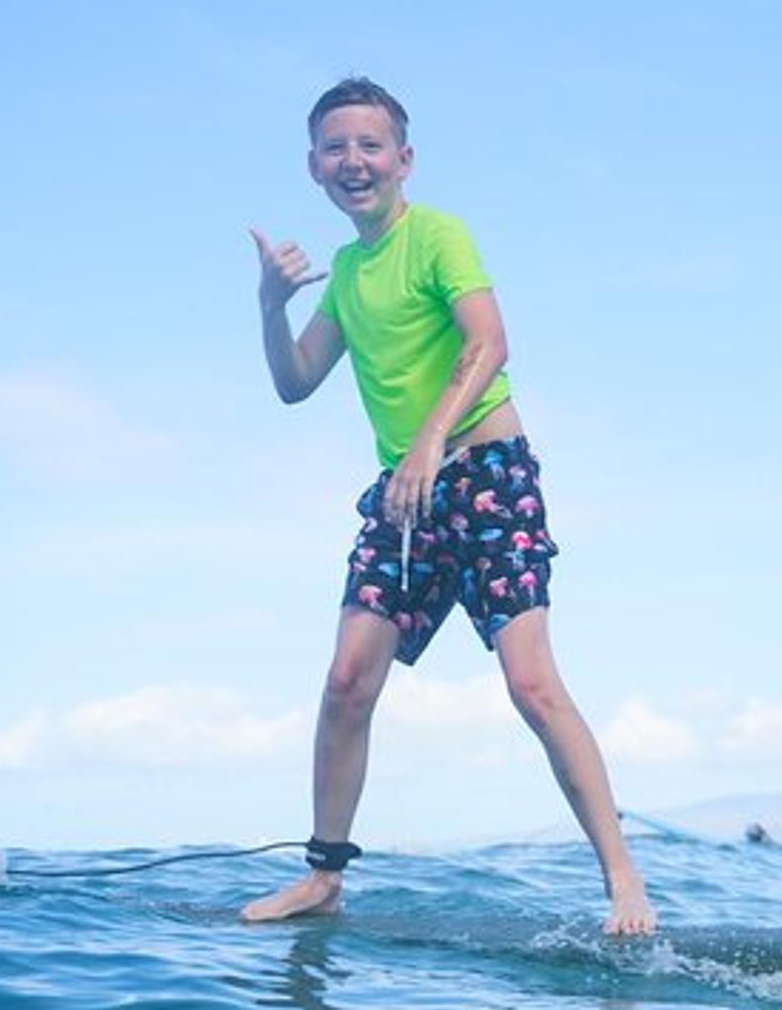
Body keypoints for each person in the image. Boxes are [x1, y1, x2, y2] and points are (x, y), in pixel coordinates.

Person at [240, 77, 657, 935]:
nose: (354, 161)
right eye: (335, 147)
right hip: (404, 499)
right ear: (314, 166)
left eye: (370, 144)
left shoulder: (436, 235)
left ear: (403, 158)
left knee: (532, 683)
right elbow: (294, 383)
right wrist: (268, 305)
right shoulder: (348, 276)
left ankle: (624, 883)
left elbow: (489, 339)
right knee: (348, 680)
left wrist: (431, 438)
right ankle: (323, 876)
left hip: (487, 471)